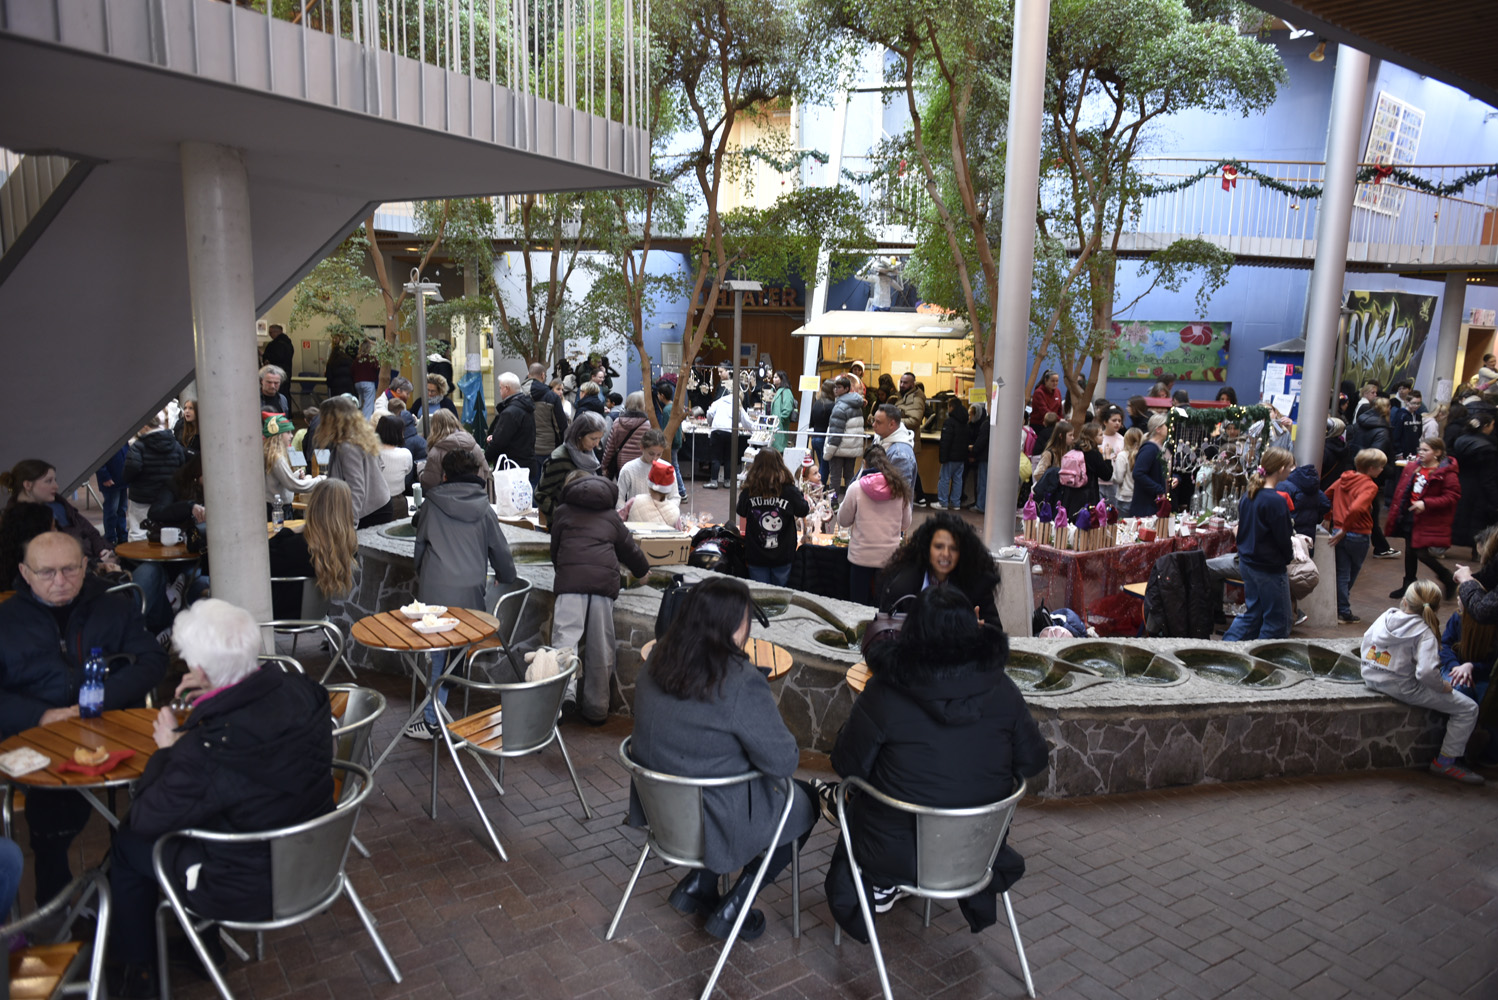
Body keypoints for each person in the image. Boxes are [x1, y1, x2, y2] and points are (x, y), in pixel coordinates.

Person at [103, 599, 336, 996]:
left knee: (128, 843)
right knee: (208, 815)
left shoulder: (208, 749)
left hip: (247, 885)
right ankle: (202, 947)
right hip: (316, 856)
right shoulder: (303, 689)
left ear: (199, 671)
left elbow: (146, 817)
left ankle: (139, 972)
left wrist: (168, 750)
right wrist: (207, 702)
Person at [825, 583, 1047, 938]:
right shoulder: (1003, 689)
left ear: (914, 631)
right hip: (975, 852)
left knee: (852, 795)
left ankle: (879, 886)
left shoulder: (886, 690)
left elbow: (847, 764)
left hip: (893, 854)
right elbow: (1033, 761)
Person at [628, 577, 818, 940]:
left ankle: (700, 883)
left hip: (662, 816)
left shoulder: (656, 661)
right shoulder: (740, 680)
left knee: (724, 772)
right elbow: (783, 762)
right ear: (734, 625)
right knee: (804, 801)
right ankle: (736, 906)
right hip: (714, 822)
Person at [0, 532, 167, 907]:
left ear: (85, 566)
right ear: (25, 573)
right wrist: (41, 715)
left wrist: (103, 698)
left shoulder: (112, 606)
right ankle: (57, 897)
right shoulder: (6, 622)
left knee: (168, 781)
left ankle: (125, 881)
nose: (60, 581)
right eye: (47, 572)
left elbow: (153, 660)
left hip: (109, 728)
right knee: (56, 803)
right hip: (33, 736)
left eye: (70, 569)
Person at [405, 449, 517, 739]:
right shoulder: (484, 508)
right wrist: (506, 576)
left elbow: (420, 549)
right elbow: (500, 551)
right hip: (470, 598)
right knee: (450, 654)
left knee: (439, 655)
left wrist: (424, 576)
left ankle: (431, 720)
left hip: (433, 594)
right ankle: (435, 711)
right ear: (477, 474)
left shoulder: (431, 505)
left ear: (445, 475)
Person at [550, 471, 650, 725]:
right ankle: (596, 708)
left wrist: (564, 570)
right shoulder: (611, 516)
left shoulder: (562, 512)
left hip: (570, 584)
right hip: (603, 586)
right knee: (600, 645)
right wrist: (643, 572)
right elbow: (629, 549)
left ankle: (562, 698)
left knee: (564, 641)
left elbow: (555, 550)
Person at [1360, 582, 1483, 784]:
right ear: (1436, 608)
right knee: (1468, 708)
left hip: (1371, 677)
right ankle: (1445, 762)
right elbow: (1426, 672)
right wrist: (1443, 686)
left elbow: (1366, 641)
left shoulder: (1386, 616)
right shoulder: (1424, 632)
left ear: (1404, 602)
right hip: (1402, 688)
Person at [1222, 446, 1295, 641]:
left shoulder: (1249, 495)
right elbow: (1283, 537)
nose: (1291, 470)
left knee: (1253, 615)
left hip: (1249, 563)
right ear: (1281, 469)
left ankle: (1225, 648)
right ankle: (1263, 656)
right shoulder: (1276, 501)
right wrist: (1288, 557)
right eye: (1290, 466)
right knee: (1278, 622)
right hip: (1268, 567)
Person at [879, 513, 1001, 625]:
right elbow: (884, 631)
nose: (946, 554)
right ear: (927, 549)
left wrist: (979, 633)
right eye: (939, 547)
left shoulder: (977, 584)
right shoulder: (901, 584)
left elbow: (995, 631)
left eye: (953, 548)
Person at [2, 458, 119, 574]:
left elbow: (90, 530)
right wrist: (97, 564)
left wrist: (102, 550)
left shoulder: (58, 503)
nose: (56, 486)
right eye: (48, 481)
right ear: (28, 485)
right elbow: (50, 564)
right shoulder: (21, 522)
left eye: (55, 480)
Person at [268, 478, 358, 620]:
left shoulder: (295, 546)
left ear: (314, 505)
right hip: (320, 615)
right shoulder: (348, 545)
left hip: (283, 615)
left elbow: (265, 558)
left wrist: (290, 531)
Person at [1385, 437, 1460, 599]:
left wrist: (1426, 503)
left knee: (1420, 552)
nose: (1421, 453)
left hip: (1428, 517)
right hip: (1411, 514)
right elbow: (1403, 489)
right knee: (1410, 550)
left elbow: (1452, 496)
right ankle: (1408, 583)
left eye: (1426, 450)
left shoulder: (1446, 473)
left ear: (1437, 452)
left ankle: (1447, 577)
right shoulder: (1414, 467)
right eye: (1420, 449)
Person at [837, 446, 912, 605]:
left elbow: (843, 521)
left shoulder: (856, 488)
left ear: (864, 463)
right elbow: (905, 524)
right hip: (888, 558)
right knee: (883, 606)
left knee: (857, 606)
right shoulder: (899, 488)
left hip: (860, 557)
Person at [1326, 449, 1387, 625]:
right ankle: (1343, 609)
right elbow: (1357, 508)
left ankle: (1341, 608)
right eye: (1380, 467)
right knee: (1351, 572)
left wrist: (1330, 518)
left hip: (1339, 530)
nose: (1382, 470)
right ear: (1371, 468)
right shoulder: (1370, 486)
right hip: (1358, 533)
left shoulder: (1344, 479)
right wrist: (1345, 528)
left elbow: (1327, 495)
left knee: (1342, 572)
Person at [315, 395, 393, 529]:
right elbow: (380, 466)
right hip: (378, 504)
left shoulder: (347, 446)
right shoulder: (362, 437)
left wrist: (350, 525)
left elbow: (355, 487)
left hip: (368, 510)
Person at [737, 449, 810, 586]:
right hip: (783, 555)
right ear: (780, 465)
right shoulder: (789, 490)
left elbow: (741, 510)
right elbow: (803, 510)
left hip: (756, 555)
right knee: (781, 595)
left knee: (759, 594)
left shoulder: (749, 490)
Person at [123, 411, 186, 540]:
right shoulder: (175, 445)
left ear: (145, 426)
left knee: (139, 531)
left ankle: (137, 553)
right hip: (167, 497)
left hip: (142, 495)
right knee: (166, 531)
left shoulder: (138, 446)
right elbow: (182, 467)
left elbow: (132, 467)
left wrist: (127, 479)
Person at [536, 411, 606, 522]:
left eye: (599, 439)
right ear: (579, 436)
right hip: (566, 524)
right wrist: (560, 518)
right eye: (593, 439)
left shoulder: (590, 453)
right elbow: (540, 494)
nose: (597, 444)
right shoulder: (560, 459)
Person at [1450, 405, 1498, 556]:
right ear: (1486, 427)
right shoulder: (1488, 448)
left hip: (1461, 484)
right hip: (1479, 491)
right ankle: (1477, 551)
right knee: (1478, 522)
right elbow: (1488, 478)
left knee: (1458, 518)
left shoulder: (1460, 441)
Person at [420, 409, 493, 500]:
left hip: (447, 501)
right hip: (475, 498)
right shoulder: (474, 446)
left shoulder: (436, 452)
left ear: (434, 427)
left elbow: (429, 483)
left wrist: (420, 470)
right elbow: (485, 470)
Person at [262, 413, 324, 519]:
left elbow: (277, 482)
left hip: (273, 506)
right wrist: (320, 480)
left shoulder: (270, 455)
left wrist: (294, 475)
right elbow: (293, 485)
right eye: (288, 432)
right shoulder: (277, 458)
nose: (291, 436)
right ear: (279, 435)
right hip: (279, 509)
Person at [823, 376, 867, 498]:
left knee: (835, 479)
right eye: (835, 387)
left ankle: (833, 504)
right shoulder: (857, 405)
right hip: (852, 448)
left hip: (838, 449)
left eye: (839, 387)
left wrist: (829, 452)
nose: (835, 390)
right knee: (849, 477)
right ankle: (850, 502)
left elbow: (836, 433)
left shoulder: (839, 407)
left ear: (847, 389)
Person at [485, 371, 536, 471]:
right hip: (526, 464)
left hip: (511, 467)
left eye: (500, 388)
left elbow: (499, 442)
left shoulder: (510, 412)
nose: (500, 391)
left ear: (507, 388)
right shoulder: (526, 407)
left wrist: (485, 458)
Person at [867, 403, 917, 501]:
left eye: (878, 422)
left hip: (887, 508)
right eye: (873, 420)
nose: (873, 425)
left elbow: (899, 494)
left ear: (891, 424)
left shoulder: (901, 455)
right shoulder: (880, 438)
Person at [895, 373, 929, 504]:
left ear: (912, 384)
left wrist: (894, 421)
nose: (902, 385)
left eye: (905, 383)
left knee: (907, 470)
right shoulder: (902, 396)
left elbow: (915, 421)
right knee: (909, 469)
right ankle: (919, 497)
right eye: (901, 382)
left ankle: (913, 498)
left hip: (908, 440)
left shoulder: (916, 399)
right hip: (902, 439)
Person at [621, 460, 685, 529]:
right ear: (668, 490)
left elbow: (619, 520)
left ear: (649, 486)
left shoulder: (634, 502)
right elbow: (678, 533)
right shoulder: (675, 512)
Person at [616, 429, 670, 510]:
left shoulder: (667, 468)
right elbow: (619, 497)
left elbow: (674, 496)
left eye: (659, 454)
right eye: (651, 454)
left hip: (660, 514)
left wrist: (667, 512)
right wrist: (625, 513)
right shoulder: (628, 469)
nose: (655, 458)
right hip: (635, 515)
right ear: (642, 447)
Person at [1128, 415, 1170, 517]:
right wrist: (1158, 489)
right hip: (1146, 507)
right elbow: (1138, 473)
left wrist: (1175, 478)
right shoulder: (1149, 449)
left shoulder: (1162, 448)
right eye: (1167, 425)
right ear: (1158, 429)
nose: (1169, 428)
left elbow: (1165, 471)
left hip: (1155, 505)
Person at [603, 391, 652, 478]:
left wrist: (604, 465)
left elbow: (610, 447)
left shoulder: (617, 422)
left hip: (621, 465)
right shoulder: (648, 425)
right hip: (641, 465)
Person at [375, 415, 414, 518]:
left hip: (375, 503)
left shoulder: (370, 454)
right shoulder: (405, 454)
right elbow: (408, 471)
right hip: (397, 501)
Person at [935, 397, 970, 510]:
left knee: (944, 479)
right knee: (958, 480)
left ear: (951, 407)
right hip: (961, 457)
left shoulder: (949, 422)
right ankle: (956, 503)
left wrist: (943, 457)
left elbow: (946, 441)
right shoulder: (965, 422)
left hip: (950, 457)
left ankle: (943, 502)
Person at [95, 444, 131, 545]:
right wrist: (105, 476)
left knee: (122, 509)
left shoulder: (121, 441)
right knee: (111, 511)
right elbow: (99, 460)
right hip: (111, 480)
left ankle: (122, 536)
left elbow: (127, 453)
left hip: (122, 479)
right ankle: (110, 538)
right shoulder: (104, 442)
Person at [810, 380, 836, 485]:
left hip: (815, 438)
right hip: (824, 438)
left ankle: (818, 488)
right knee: (824, 469)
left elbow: (811, 422)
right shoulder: (832, 405)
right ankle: (820, 489)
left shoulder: (817, 403)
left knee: (821, 466)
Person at [1113, 428, 1143, 511]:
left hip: (1124, 498)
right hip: (1140, 497)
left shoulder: (1122, 455)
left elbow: (1118, 479)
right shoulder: (1143, 454)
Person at [968, 404, 990, 513]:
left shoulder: (986, 424)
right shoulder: (991, 423)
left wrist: (974, 449)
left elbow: (981, 442)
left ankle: (980, 505)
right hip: (988, 457)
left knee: (982, 482)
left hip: (983, 458)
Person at [767, 371, 796, 452]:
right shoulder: (773, 391)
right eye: (773, 377)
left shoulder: (786, 391)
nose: (773, 379)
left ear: (782, 379)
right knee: (771, 450)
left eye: (776, 377)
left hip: (780, 425)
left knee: (779, 450)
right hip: (772, 425)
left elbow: (787, 409)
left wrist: (780, 419)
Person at [351, 338, 380, 416]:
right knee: (368, 404)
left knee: (361, 403)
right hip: (368, 383)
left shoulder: (357, 359)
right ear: (368, 348)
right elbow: (377, 368)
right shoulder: (371, 358)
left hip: (357, 383)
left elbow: (352, 371)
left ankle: (360, 418)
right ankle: (365, 421)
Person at [173, 393, 201, 459]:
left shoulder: (203, 429)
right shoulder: (180, 425)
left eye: (191, 408)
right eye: (185, 408)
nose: (187, 411)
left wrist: (184, 451)